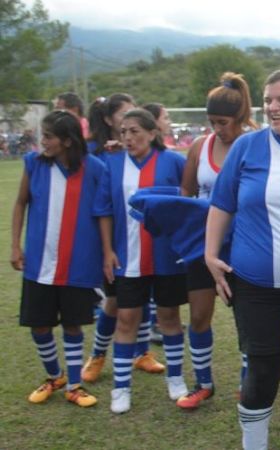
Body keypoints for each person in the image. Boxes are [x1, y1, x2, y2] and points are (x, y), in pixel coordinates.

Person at [205, 68, 280, 449]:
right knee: (263, 368)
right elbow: (222, 203)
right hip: (255, 284)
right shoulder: (247, 147)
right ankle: (254, 443)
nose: (273, 106)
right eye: (268, 100)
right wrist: (210, 254)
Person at [93, 109, 188, 414]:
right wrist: (108, 250)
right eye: (123, 132)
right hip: (128, 257)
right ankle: (121, 387)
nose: (128, 138)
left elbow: (189, 202)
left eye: (134, 131)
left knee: (169, 317)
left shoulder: (174, 161)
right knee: (126, 319)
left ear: (151, 133)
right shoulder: (114, 164)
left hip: (167, 257)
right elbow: (104, 210)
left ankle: (176, 378)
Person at [10, 111, 106, 408]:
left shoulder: (95, 168)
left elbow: (104, 213)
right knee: (39, 325)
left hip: (79, 263)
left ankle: (75, 385)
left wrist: (106, 254)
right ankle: (55, 376)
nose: (43, 142)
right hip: (39, 263)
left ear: (67, 140)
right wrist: (15, 245)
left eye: (48, 137)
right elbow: (20, 203)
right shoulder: (34, 164)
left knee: (73, 326)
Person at [177, 72, 256, 410]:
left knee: (247, 321)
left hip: (243, 247)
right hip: (202, 246)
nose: (217, 129)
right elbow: (186, 192)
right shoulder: (200, 146)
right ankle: (203, 383)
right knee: (198, 316)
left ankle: (247, 384)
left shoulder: (255, 144)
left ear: (239, 118)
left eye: (223, 122)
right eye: (211, 122)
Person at [82, 94, 165, 383]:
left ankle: (141, 353)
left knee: (139, 299)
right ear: (109, 120)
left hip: (140, 240)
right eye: (125, 114)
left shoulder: (132, 150)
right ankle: (97, 354)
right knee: (116, 301)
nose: (132, 117)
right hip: (112, 240)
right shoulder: (99, 153)